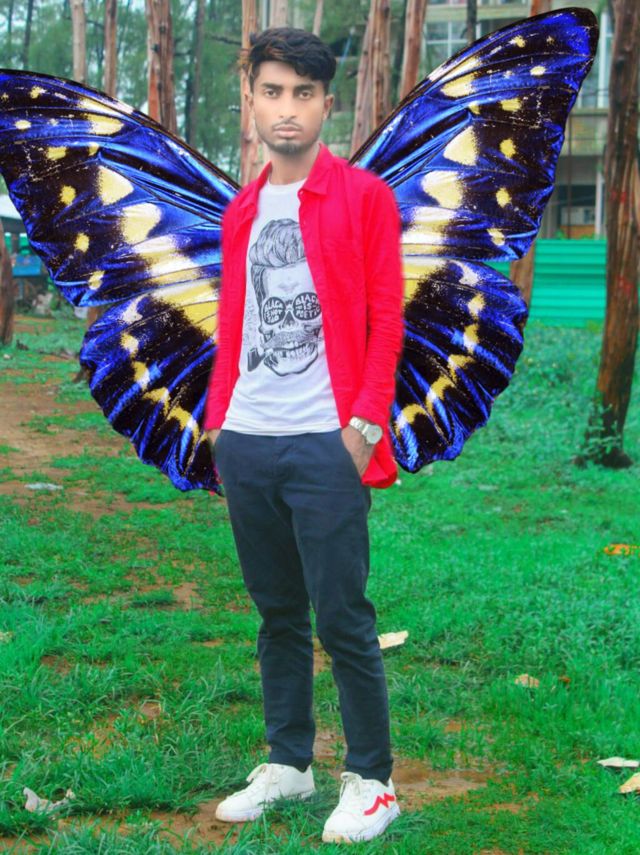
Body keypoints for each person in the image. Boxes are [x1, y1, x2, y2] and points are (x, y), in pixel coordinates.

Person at [203, 26, 405, 845]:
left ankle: (374, 780)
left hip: (328, 441)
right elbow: (234, 323)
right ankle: (290, 761)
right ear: (250, 100)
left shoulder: (364, 198)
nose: (286, 108)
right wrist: (219, 424)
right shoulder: (240, 211)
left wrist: (362, 426)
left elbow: (387, 318)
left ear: (327, 104)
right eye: (272, 91)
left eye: (304, 93)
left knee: (342, 613)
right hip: (248, 438)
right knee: (277, 611)